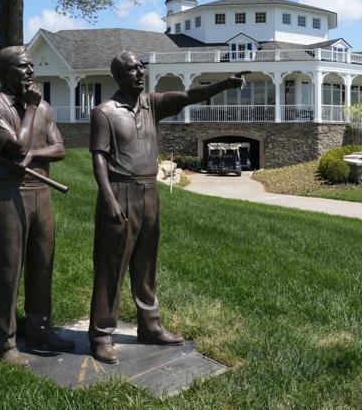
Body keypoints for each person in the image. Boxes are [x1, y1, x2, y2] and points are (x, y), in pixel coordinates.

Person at [88, 51, 247, 363]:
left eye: (141, 68)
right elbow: (98, 158)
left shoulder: (151, 104)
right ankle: (101, 334)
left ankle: (149, 326)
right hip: (119, 191)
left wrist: (224, 84)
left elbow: (188, 95)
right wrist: (108, 198)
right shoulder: (104, 112)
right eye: (133, 69)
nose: (140, 73)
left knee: (146, 264)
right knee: (111, 267)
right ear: (119, 77)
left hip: (149, 191)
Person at [0, 46, 74, 368]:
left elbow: (59, 148)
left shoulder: (43, 107)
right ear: (5, 72)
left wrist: (34, 157)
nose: (31, 71)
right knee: (8, 269)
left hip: (40, 191)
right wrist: (30, 111)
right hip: (6, 193)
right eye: (22, 67)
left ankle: (40, 330)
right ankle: (3, 341)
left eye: (32, 65)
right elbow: (16, 145)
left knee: (43, 264)